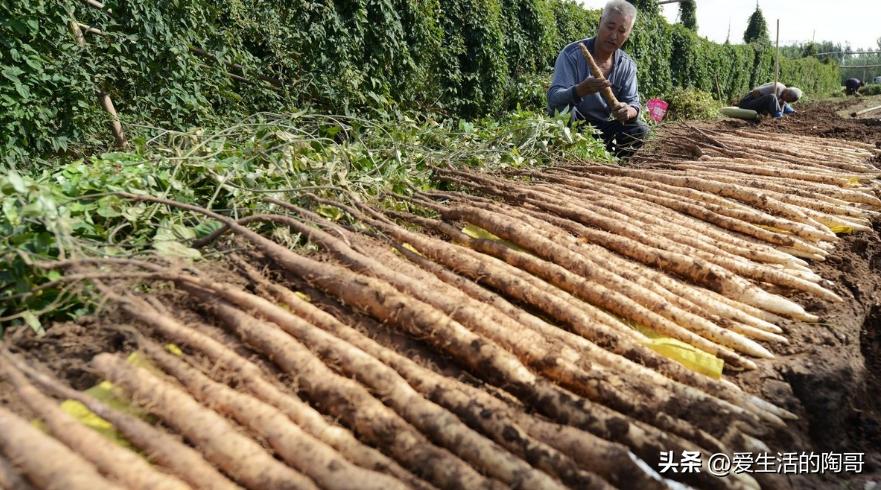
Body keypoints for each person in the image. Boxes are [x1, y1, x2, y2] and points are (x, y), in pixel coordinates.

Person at [547, 0, 648, 158]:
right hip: (574, 127)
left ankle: (617, 165)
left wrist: (628, 111)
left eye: (622, 31)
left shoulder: (627, 65)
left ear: (629, 33)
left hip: (603, 130)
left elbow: (633, 102)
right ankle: (566, 157)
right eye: (610, 27)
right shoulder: (572, 54)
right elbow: (553, 98)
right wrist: (580, 90)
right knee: (563, 110)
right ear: (600, 22)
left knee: (639, 130)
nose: (613, 36)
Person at [737, 82, 802, 117]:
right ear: (787, 94)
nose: (787, 101)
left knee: (782, 103)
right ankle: (778, 116)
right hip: (747, 103)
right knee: (772, 97)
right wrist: (764, 107)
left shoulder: (783, 95)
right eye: (788, 100)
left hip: (756, 105)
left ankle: (792, 112)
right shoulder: (777, 87)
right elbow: (755, 92)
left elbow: (781, 103)